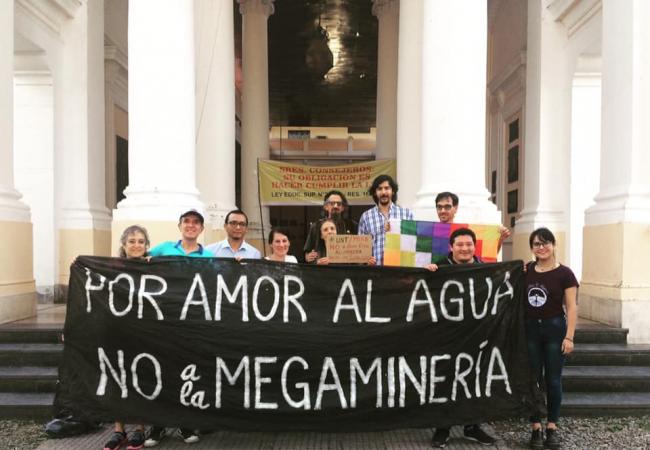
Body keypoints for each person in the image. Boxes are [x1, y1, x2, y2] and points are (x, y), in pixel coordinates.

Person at [426, 228, 497, 448]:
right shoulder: (440, 267)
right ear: (451, 247)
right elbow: (424, 291)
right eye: (460, 244)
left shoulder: (484, 268)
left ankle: (472, 426)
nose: (464, 248)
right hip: (447, 336)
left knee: (474, 380)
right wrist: (427, 273)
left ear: (474, 247)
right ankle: (443, 428)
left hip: (477, 335)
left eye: (468, 244)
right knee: (446, 379)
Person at [524, 228, 578, 450]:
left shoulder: (565, 274)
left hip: (555, 329)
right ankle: (535, 427)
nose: (541, 247)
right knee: (533, 379)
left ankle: (552, 427)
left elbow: (572, 306)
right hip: (530, 331)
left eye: (545, 243)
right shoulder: (526, 270)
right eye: (536, 244)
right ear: (532, 248)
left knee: (553, 380)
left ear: (554, 245)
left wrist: (570, 337)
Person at [103, 225, 150, 450]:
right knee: (118, 379)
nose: (136, 245)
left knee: (139, 378)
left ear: (146, 245)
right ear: (123, 245)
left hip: (143, 332)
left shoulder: (154, 268)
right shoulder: (111, 268)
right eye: (132, 241)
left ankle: (140, 429)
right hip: (117, 330)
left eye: (141, 241)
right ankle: (118, 429)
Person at [358, 174, 413, 265]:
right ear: (375, 192)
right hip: (374, 272)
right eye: (379, 189)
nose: (383, 192)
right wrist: (365, 260)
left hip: (400, 270)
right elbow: (360, 249)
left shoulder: (406, 214)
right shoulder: (366, 217)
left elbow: (412, 243)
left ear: (393, 191)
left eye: (387, 188)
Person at [435, 191, 512, 250]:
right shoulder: (428, 232)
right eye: (439, 207)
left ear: (455, 208)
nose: (442, 211)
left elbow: (487, 257)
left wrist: (500, 239)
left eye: (447, 207)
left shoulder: (465, 231)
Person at [304, 190, 357, 263]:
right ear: (326, 206)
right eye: (332, 203)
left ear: (343, 207)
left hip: (345, 271)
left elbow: (358, 251)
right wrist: (308, 257)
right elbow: (307, 253)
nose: (335, 206)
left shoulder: (352, 225)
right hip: (322, 270)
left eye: (339, 204)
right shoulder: (316, 226)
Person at [148, 210, 213, 258]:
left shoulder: (209, 256)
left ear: (201, 229)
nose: (190, 225)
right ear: (180, 226)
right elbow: (141, 258)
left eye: (196, 222)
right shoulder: (165, 247)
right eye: (186, 221)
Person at [310, 218, 375, 265]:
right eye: (325, 230)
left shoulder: (349, 249)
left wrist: (368, 264)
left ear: (336, 232)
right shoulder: (316, 254)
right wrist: (317, 265)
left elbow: (357, 269)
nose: (329, 232)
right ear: (321, 235)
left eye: (332, 228)